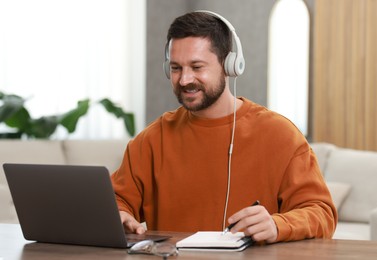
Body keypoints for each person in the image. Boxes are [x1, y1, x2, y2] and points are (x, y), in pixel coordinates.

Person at [111, 10, 337, 244]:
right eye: (176, 68)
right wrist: (120, 214)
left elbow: (321, 212)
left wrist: (278, 225)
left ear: (229, 65)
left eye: (197, 67)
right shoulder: (152, 139)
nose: (185, 79)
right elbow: (116, 199)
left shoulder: (280, 134)